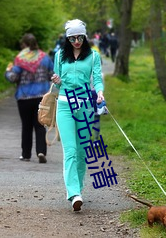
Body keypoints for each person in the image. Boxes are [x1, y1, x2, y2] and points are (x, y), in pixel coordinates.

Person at [51, 19, 104, 211]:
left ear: (85, 36)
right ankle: (73, 193)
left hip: (85, 107)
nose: (76, 41)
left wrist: (99, 92)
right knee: (71, 151)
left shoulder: (93, 56)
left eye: (79, 37)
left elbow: (97, 78)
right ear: (67, 38)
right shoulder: (59, 56)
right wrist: (56, 80)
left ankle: (79, 189)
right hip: (65, 105)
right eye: (72, 38)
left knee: (82, 152)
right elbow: (57, 85)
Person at [5, 33, 54, 163]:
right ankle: (41, 151)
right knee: (40, 125)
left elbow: (13, 78)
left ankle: (26, 154)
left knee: (26, 126)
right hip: (41, 97)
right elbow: (52, 75)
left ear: (24, 45)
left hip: (24, 97)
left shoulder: (20, 59)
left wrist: (8, 71)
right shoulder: (45, 58)